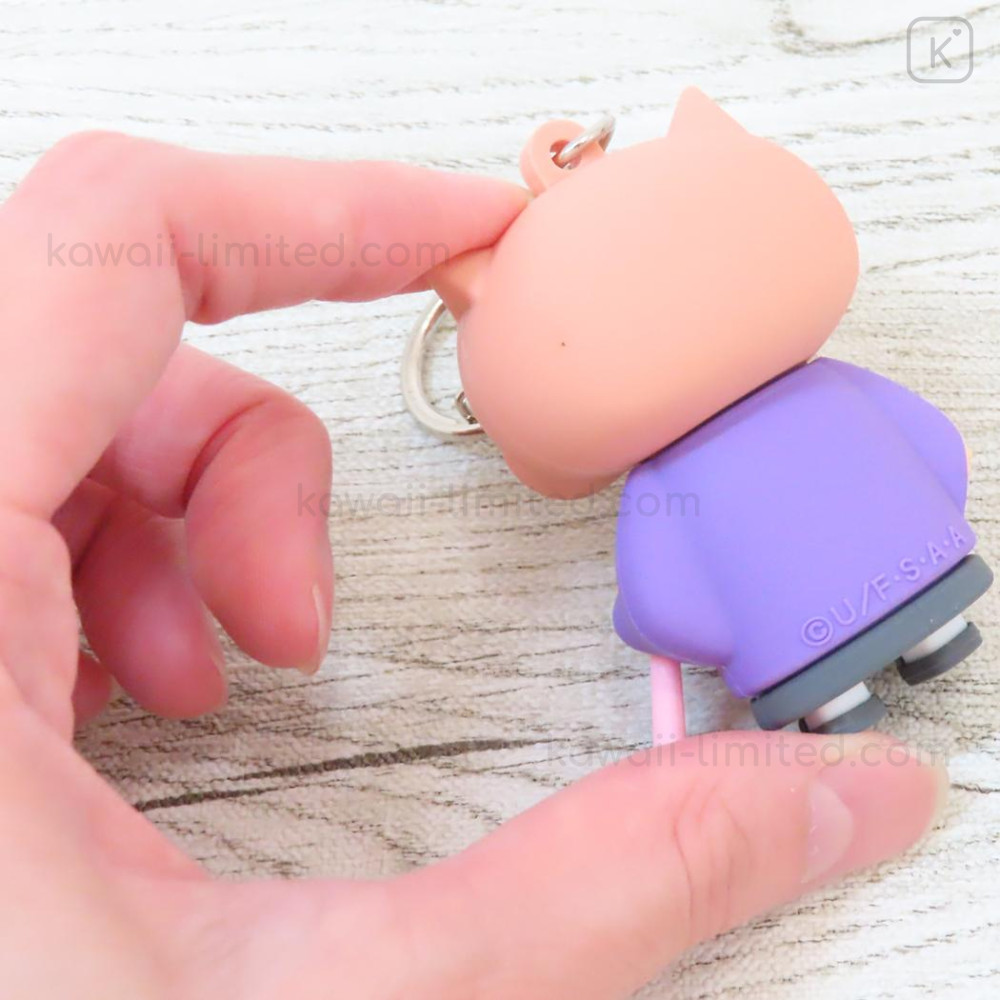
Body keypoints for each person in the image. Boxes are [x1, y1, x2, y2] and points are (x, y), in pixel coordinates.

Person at [0, 131, 945, 1000]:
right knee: (906, 624)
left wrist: (654, 627)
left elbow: (668, 599)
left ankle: (847, 697)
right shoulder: (813, 404)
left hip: (800, 646)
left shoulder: (676, 481)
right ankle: (934, 636)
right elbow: (934, 449)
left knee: (826, 684)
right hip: (927, 570)